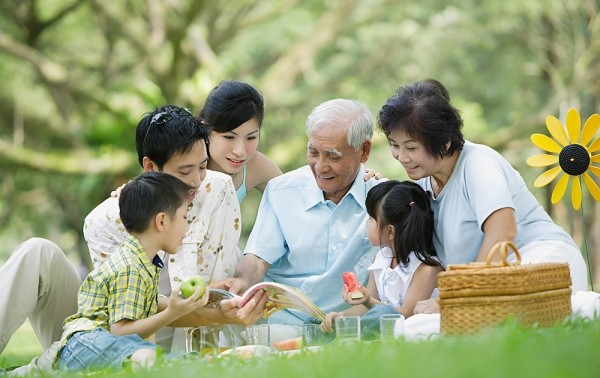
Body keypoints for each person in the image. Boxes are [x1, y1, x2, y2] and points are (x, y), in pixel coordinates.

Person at [1, 106, 265, 376]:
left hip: (178, 337)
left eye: (202, 166)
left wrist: (219, 312)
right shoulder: (104, 221)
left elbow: (206, 294)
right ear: (150, 167)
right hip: (108, 335)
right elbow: (122, 318)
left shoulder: (217, 190)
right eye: (185, 172)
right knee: (38, 251)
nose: (196, 182)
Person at [377, 79, 589, 314]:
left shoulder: (478, 164)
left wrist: (460, 296)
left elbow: (503, 231)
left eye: (411, 148)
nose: (401, 156)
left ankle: (588, 307)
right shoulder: (427, 179)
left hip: (541, 261)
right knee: (423, 325)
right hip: (492, 281)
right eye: (394, 145)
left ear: (445, 142)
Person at [215, 98, 383, 325]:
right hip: (285, 321)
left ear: (364, 151)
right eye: (313, 152)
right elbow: (258, 256)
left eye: (333, 156)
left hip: (350, 324)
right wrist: (241, 282)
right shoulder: (281, 190)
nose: (321, 166)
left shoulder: (383, 200)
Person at [56, 172, 210, 372]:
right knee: (146, 355)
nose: (187, 226)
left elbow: (144, 309)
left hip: (103, 345)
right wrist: (172, 313)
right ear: (162, 221)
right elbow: (120, 332)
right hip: (86, 344)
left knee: (160, 357)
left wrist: (187, 305)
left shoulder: (143, 260)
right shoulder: (131, 267)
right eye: (184, 217)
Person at [321, 180, 443, 333]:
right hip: (385, 327)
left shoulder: (426, 269)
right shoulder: (381, 258)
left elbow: (404, 314)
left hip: (411, 330)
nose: (367, 223)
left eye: (371, 218)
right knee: (317, 323)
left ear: (390, 231)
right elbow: (366, 307)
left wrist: (368, 301)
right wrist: (341, 317)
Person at [199, 80, 282, 203]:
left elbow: (294, 202)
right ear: (206, 130)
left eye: (251, 138)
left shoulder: (255, 166)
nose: (240, 151)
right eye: (229, 137)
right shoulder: (183, 162)